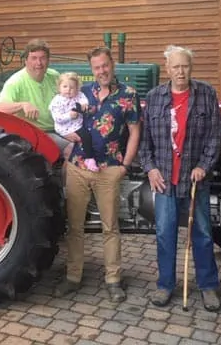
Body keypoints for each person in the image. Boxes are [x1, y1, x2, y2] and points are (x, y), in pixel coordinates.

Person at [139, 44, 221, 312]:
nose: (180, 71)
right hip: (165, 179)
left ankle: (208, 286)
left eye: (185, 66)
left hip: (195, 179)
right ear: (167, 69)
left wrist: (204, 166)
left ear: (191, 68)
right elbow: (145, 143)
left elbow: (215, 136)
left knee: (202, 234)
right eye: (175, 66)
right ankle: (165, 285)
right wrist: (151, 169)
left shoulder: (206, 94)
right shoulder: (154, 97)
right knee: (165, 234)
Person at [55, 46, 141, 303]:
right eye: (96, 67)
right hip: (78, 167)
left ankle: (113, 279)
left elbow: (135, 131)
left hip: (109, 170)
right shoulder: (82, 94)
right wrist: (64, 138)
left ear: (112, 64)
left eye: (105, 65)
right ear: (91, 70)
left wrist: (124, 166)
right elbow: (61, 119)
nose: (101, 71)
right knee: (75, 227)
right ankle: (73, 276)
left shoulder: (128, 95)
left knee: (110, 227)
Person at [0, 39, 78, 155]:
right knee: (72, 150)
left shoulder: (54, 76)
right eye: (34, 58)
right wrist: (22, 105)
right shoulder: (15, 82)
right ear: (26, 61)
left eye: (42, 58)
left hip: (60, 127)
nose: (39, 63)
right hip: (37, 133)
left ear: (48, 60)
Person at [49, 72, 99, 172]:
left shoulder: (79, 95)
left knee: (88, 136)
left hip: (76, 125)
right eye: (65, 86)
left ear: (77, 88)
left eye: (72, 87)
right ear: (59, 88)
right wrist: (69, 116)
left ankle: (90, 160)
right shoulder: (56, 101)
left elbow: (84, 100)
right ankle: (88, 159)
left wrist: (84, 105)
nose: (68, 90)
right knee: (80, 140)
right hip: (64, 128)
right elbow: (57, 118)